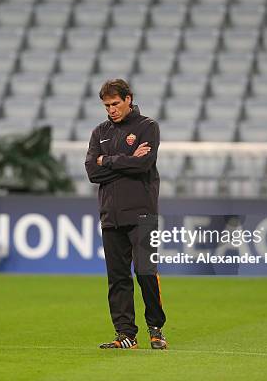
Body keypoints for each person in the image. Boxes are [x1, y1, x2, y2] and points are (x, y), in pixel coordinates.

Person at [84, 79, 167, 350]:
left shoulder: (148, 127)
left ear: (128, 98)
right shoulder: (99, 132)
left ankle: (156, 329)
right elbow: (92, 173)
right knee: (117, 278)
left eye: (115, 103)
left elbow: (144, 163)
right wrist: (126, 160)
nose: (111, 110)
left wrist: (107, 160)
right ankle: (125, 335)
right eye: (107, 105)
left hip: (142, 214)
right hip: (111, 216)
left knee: (145, 272)